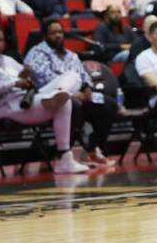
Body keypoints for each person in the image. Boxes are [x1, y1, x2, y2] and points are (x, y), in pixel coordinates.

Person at [0, 28, 89, 174]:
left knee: (72, 75)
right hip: (4, 107)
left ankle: (59, 92)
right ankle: (64, 159)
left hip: (28, 100)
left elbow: (26, 79)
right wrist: (14, 83)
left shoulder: (8, 60)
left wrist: (27, 77)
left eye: (1, 40)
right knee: (65, 102)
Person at [24, 18, 117, 167]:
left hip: (79, 95)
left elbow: (83, 74)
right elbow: (45, 79)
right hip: (51, 98)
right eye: (53, 33)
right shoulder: (37, 53)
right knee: (73, 104)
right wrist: (72, 93)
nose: (58, 35)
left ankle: (91, 150)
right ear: (45, 36)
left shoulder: (70, 55)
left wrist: (87, 88)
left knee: (109, 105)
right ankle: (60, 155)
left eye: (60, 32)